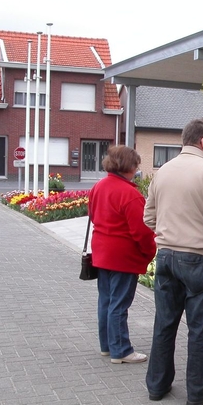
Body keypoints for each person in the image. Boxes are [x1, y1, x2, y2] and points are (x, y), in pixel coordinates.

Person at [143, 118, 203, 405]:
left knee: (164, 324)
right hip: (200, 259)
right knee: (201, 330)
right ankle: (198, 391)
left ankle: (157, 386)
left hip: (167, 257)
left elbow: (149, 217)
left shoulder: (164, 171)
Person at [88, 145, 156, 364]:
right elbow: (142, 231)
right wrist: (150, 252)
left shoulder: (99, 186)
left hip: (102, 253)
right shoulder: (130, 194)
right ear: (128, 165)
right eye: (136, 164)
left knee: (106, 301)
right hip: (123, 257)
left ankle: (107, 346)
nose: (137, 168)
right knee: (119, 304)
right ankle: (121, 350)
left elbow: (92, 214)